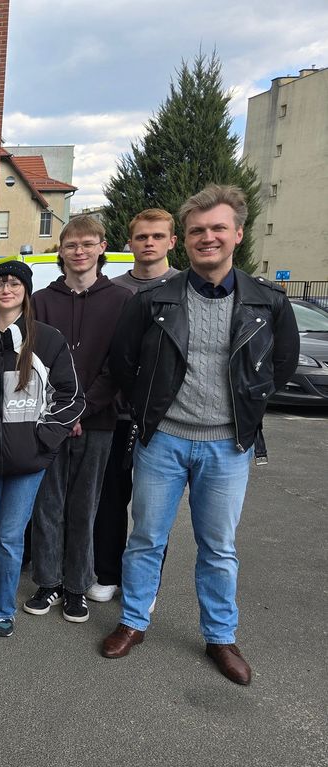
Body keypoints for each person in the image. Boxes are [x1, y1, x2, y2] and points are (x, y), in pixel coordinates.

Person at [102, 185, 299, 685]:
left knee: (219, 546)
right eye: (196, 231)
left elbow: (279, 365)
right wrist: (150, 411)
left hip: (228, 446)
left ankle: (219, 635)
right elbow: (125, 362)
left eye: (216, 229)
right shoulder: (153, 300)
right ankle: (133, 621)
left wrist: (247, 412)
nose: (206, 238)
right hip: (162, 441)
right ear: (184, 241)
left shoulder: (268, 302)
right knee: (146, 537)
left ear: (237, 234)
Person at [0, 261, 83, 638]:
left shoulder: (46, 339)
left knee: (10, 540)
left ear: (25, 291)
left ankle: (0, 608)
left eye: (14, 283)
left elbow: (71, 396)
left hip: (27, 463)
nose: (6, 289)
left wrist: (43, 440)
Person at [25, 215, 130, 624]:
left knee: (86, 506)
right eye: (71, 245)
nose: (79, 251)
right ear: (61, 251)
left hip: (99, 421)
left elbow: (119, 364)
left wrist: (82, 410)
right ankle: (47, 582)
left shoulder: (121, 300)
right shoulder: (41, 301)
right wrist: (59, 413)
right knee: (47, 504)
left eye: (88, 243)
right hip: (48, 421)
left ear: (102, 247)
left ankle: (76, 586)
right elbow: (34, 363)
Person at [90, 209, 181, 603]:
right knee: (110, 497)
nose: (149, 243)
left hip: (164, 418)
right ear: (130, 242)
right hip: (117, 412)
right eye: (142, 236)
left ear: (171, 242)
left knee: (152, 509)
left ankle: (143, 584)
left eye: (157, 236)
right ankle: (107, 573)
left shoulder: (184, 287)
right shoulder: (114, 289)